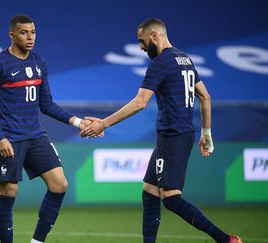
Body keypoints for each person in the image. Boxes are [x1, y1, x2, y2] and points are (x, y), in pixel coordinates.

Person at [81, 18, 242, 243]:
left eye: (142, 41)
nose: (141, 47)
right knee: (150, 191)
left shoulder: (161, 62)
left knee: (171, 198)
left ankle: (226, 240)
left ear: (155, 36)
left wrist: (103, 123)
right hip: (175, 134)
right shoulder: (184, 59)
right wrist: (207, 133)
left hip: (174, 135)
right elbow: (205, 96)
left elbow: (140, 103)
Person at [0, 14, 93, 243]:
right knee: (9, 191)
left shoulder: (39, 62)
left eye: (33, 32)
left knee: (59, 184)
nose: (30, 37)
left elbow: (46, 104)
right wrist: (0, 138)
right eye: (24, 32)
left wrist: (78, 122)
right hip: (9, 138)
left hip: (35, 135)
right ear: (12, 34)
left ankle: (37, 241)